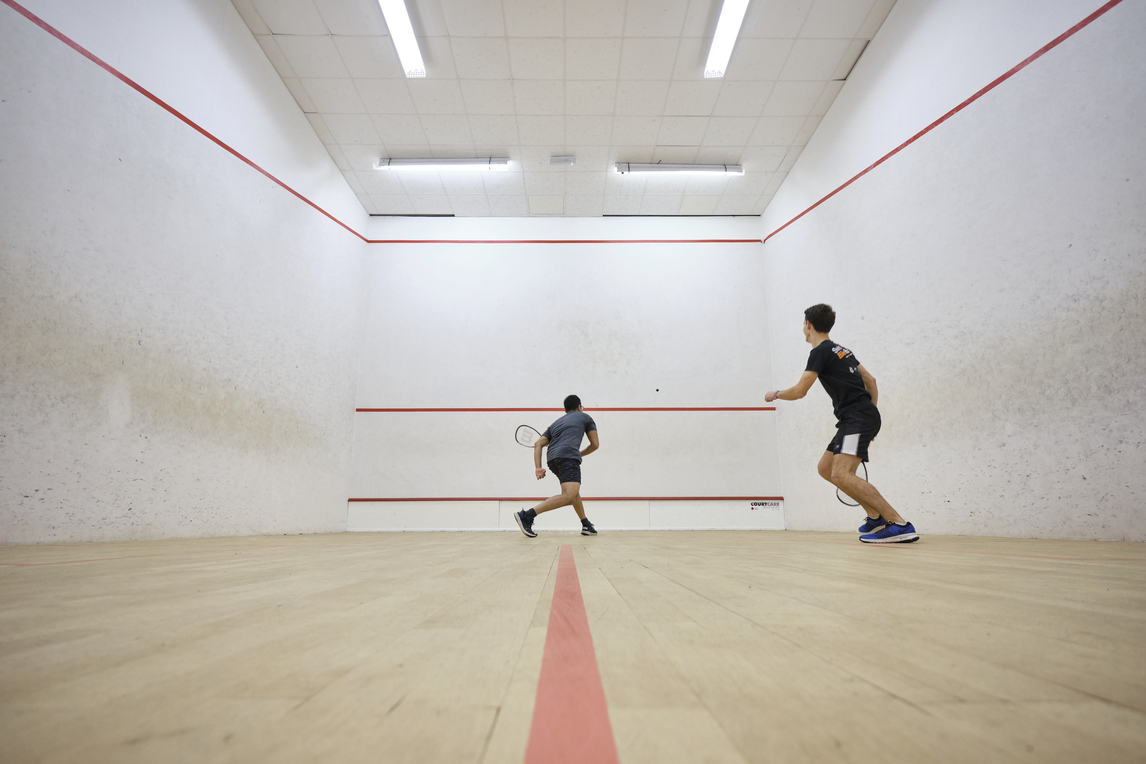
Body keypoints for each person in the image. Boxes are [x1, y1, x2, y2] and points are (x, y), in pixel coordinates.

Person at [765, 304, 919, 543]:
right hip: (858, 417)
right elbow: (870, 380)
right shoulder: (842, 350)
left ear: (808, 324)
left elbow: (799, 391)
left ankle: (898, 523)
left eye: (803, 324)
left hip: (857, 417)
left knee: (842, 473)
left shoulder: (820, 352)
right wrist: (871, 416)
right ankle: (875, 517)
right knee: (826, 469)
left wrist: (775, 394)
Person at [515, 395, 600, 538]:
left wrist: (538, 467)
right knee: (569, 495)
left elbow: (538, 444)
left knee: (572, 492)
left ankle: (586, 524)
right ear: (579, 406)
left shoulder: (556, 423)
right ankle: (527, 515)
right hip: (568, 457)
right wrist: (579, 453)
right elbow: (595, 445)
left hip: (552, 460)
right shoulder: (585, 417)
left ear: (565, 409)